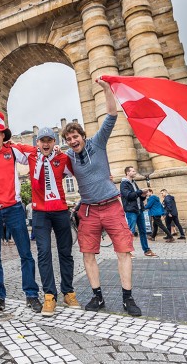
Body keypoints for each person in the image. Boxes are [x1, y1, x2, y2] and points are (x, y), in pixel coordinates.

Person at [63, 78, 142, 317]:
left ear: (82, 136)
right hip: (87, 210)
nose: (72, 141)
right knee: (88, 254)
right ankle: (97, 296)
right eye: (68, 139)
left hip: (111, 206)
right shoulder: (68, 156)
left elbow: (111, 115)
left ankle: (127, 297)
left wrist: (107, 90)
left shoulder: (97, 143)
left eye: (75, 137)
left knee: (123, 252)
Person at [10, 127, 81, 317]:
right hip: (40, 212)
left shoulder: (63, 158)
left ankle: (68, 292)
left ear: (54, 142)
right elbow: (9, 144)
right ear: (38, 143)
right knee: (44, 253)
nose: (46, 144)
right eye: (43, 141)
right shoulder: (32, 156)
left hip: (60, 211)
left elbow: (80, 169)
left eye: (50, 140)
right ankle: (50, 295)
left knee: (66, 252)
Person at [0, 110, 41, 316]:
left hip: (14, 208)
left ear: (4, 134)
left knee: (25, 253)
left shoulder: (13, 152)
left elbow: (35, 151)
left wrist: (12, 145)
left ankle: (31, 294)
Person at [120, 167, 157, 257]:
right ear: (128, 173)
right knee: (130, 231)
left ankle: (146, 250)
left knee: (143, 231)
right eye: (133, 171)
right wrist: (140, 191)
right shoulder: (124, 184)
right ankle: (127, 251)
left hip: (139, 209)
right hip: (131, 210)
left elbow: (137, 196)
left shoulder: (134, 183)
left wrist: (143, 195)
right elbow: (128, 196)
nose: (135, 172)